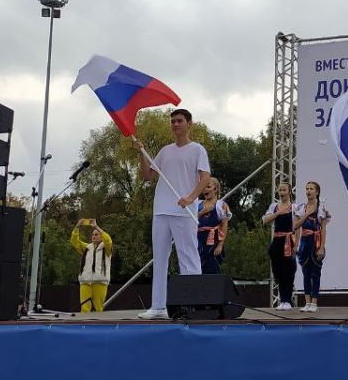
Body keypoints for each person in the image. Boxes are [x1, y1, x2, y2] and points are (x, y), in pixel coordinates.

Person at [132, 108, 211, 320]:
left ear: (189, 124)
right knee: (159, 258)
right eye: (173, 121)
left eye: (179, 121)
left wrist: (191, 197)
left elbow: (205, 177)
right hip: (161, 210)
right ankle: (158, 306)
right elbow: (148, 175)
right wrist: (141, 152)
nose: (175, 124)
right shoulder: (165, 151)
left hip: (184, 211)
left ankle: (193, 304)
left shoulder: (197, 150)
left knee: (188, 257)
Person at [294, 181, 331, 312]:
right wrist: (306, 214)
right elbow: (295, 226)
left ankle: (314, 303)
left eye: (311, 189)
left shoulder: (321, 208)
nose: (308, 191)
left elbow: (323, 230)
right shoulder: (301, 208)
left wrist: (321, 247)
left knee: (315, 273)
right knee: (306, 273)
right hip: (304, 243)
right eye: (307, 188)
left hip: (316, 242)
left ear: (317, 192)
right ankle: (307, 302)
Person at [263, 182, 299, 310]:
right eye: (280, 190)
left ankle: (287, 300)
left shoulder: (295, 207)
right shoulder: (274, 206)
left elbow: (298, 226)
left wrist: (296, 244)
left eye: (284, 190)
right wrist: (277, 213)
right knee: (277, 271)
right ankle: (282, 300)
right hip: (277, 240)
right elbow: (265, 220)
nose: (282, 192)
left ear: (289, 191)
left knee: (288, 270)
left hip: (289, 240)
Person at [71, 219, 113, 313]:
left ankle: (99, 322)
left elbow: (108, 240)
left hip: (100, 282)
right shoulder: (87, 247)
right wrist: (77, 226)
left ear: (101, 236)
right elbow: (74, 242)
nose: (93, 236)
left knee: (99, 308)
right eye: (93, 234)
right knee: (84, 308)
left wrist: (96, 227)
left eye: (96, 234)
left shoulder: (106, 248)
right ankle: (84, 322)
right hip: (85, 281)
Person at [195, 178, 232, 275]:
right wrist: (203, 212)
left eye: (208, 187)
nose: (205, 190)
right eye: (204, 187)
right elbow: (191, 221)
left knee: (212, 265)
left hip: (213, 239)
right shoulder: (198, 204)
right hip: (199, 239)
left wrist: (220, 244)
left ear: (215, 189)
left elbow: (224, 225)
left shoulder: (221, 205)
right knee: (198, 265)